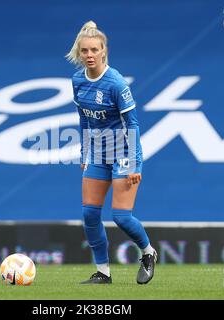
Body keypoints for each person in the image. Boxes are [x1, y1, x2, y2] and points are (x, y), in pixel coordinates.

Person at [66, 21, 157, 284]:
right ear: (79, 53)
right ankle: (103, 272)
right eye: (85, 51)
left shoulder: (116, 83)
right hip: (97, 153)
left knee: (121, 217)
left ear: (104, 50)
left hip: (123, 153)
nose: (90, 55)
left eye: (94, 49)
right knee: (90, 214)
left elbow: (133, 124)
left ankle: (148, 252)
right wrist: (84, 153)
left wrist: (135, 164)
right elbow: (83, 119)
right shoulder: (77, 81)